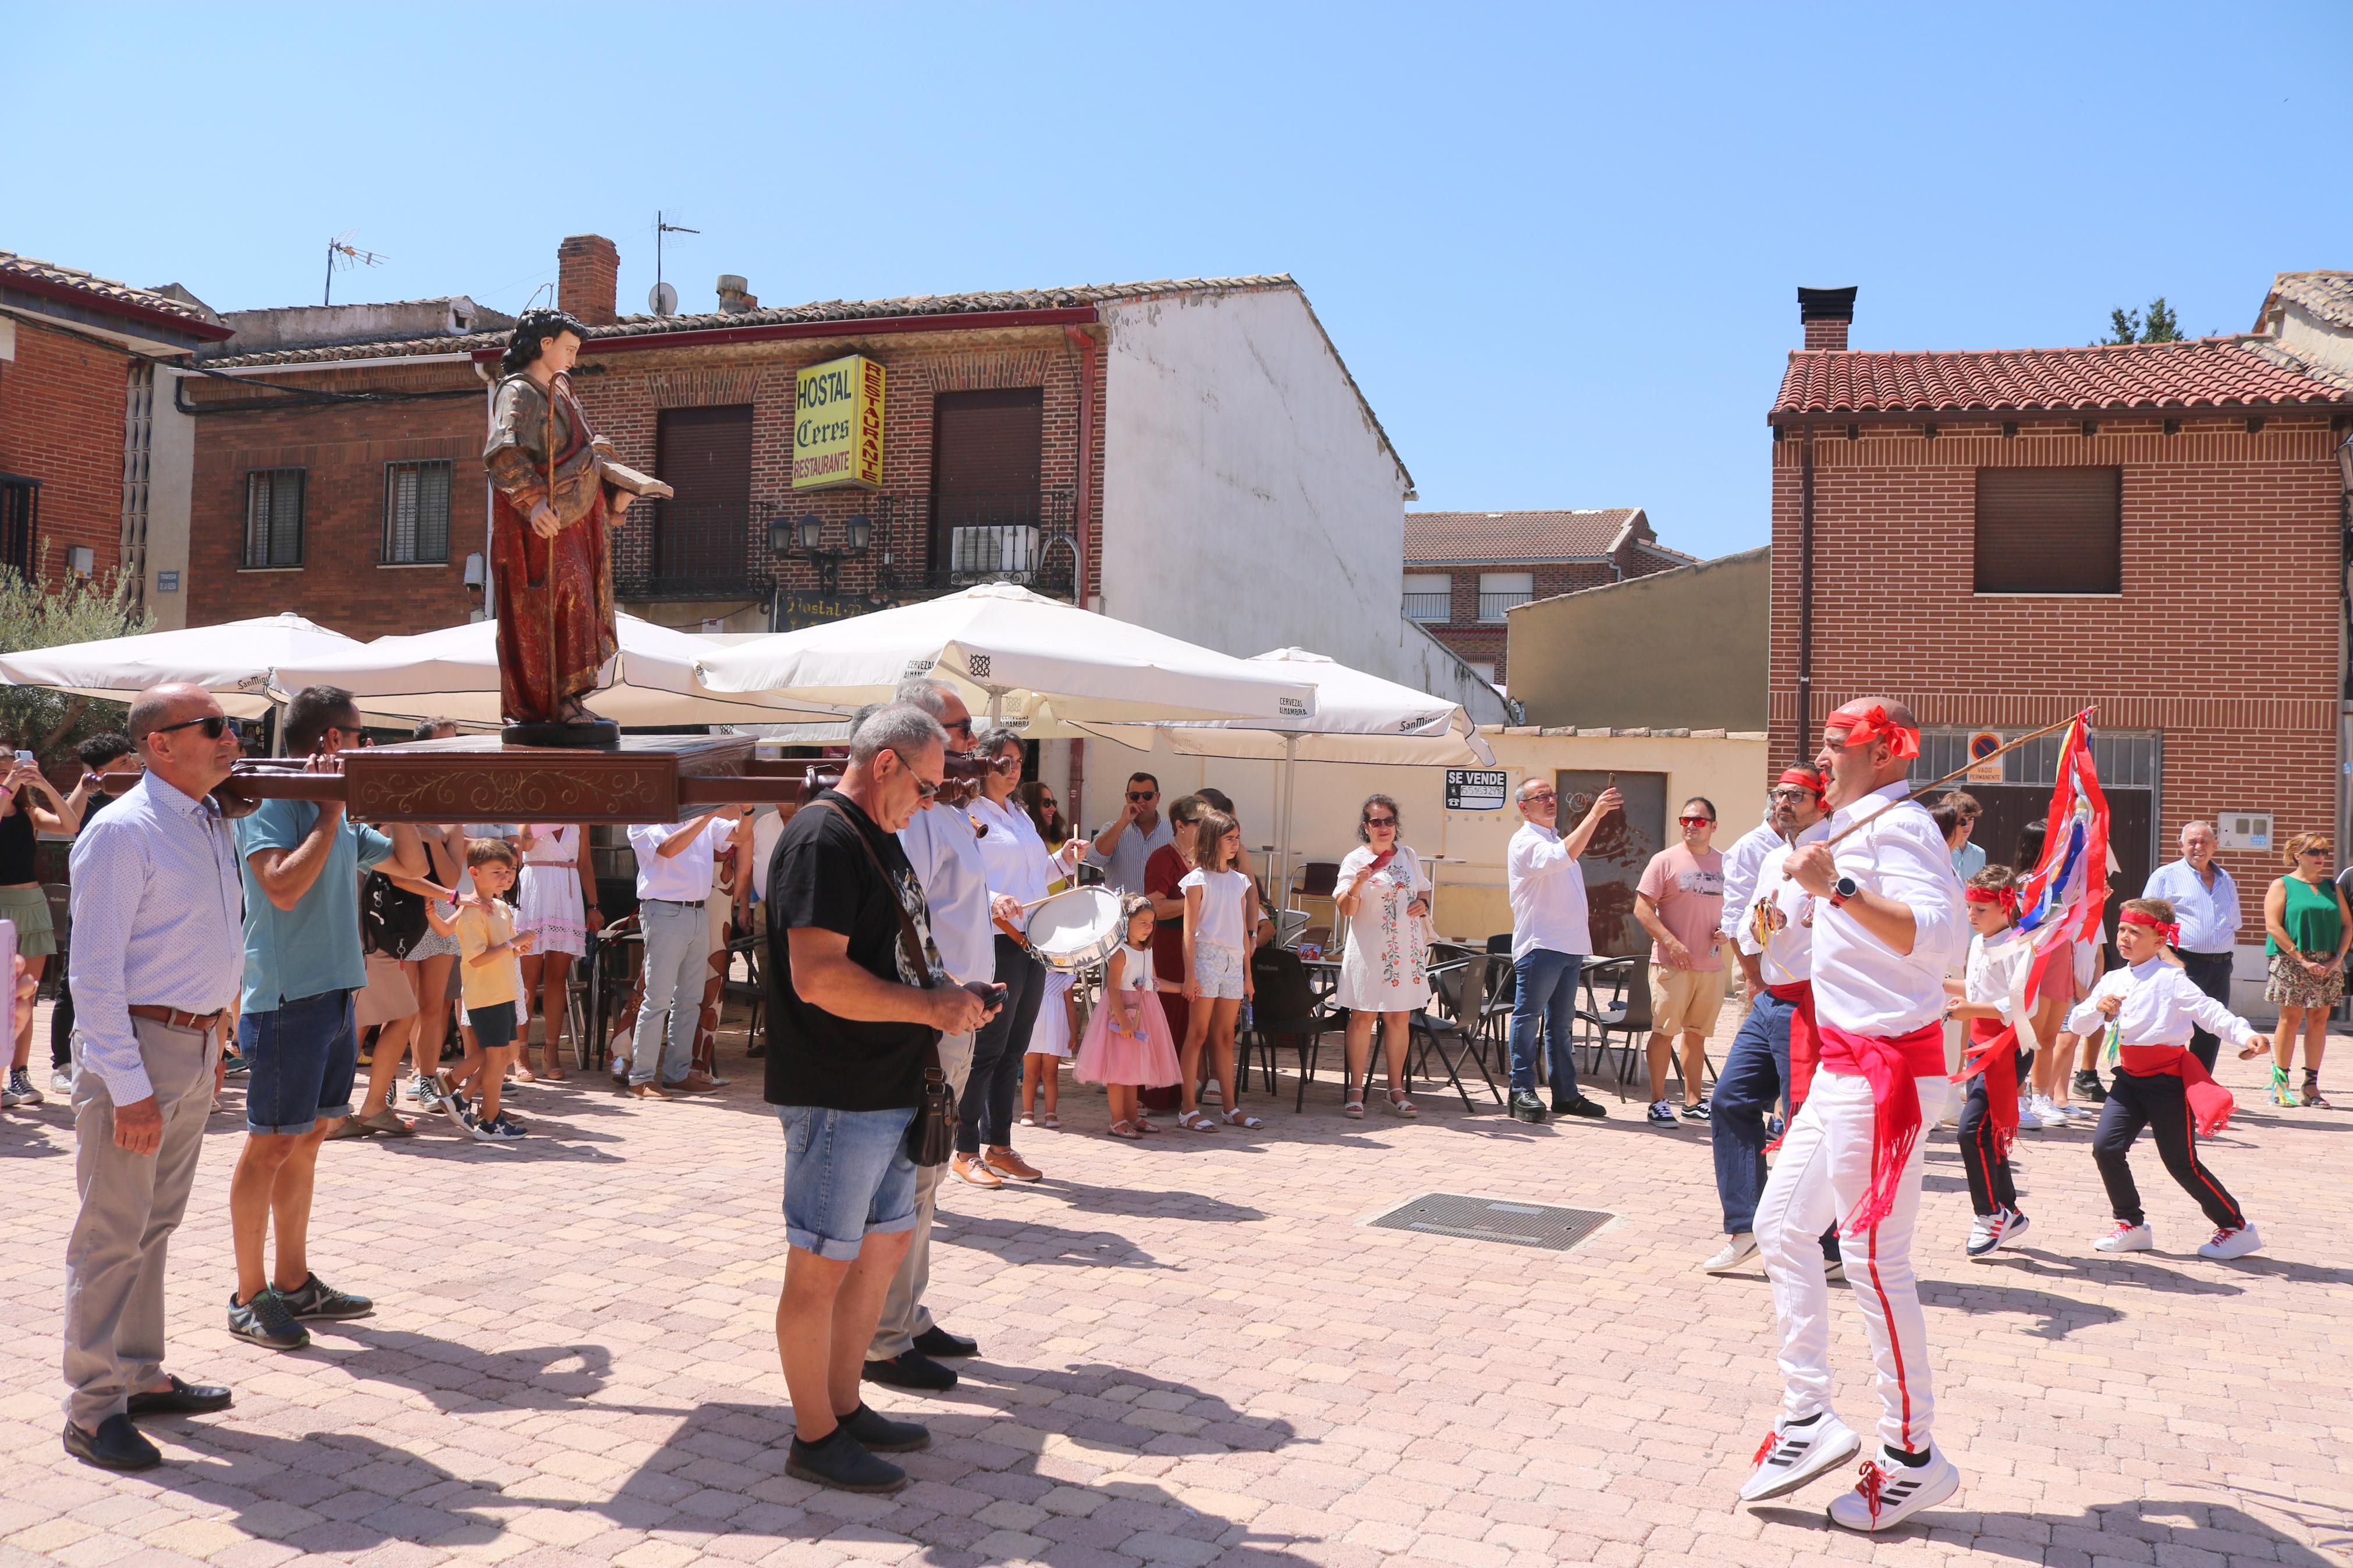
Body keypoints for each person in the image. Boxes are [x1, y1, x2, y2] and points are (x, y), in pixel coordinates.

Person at [1740, 698, 1966, 1531]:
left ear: (1876, 751)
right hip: (1843, 1067)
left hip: (1882, 1076)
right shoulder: (1851, 830)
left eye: (1834, 745)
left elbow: (1937, 938)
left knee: (1874, 1259)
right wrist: (1787, 896)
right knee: (1780, 1226)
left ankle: (1912, 1456)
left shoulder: (1897, 829)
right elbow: (1780, 939)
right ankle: (1806, 1417)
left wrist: (1833, 882)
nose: (1820, 758)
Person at [765, 702, 996, 1495]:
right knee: (822, 1265)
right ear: (887, 763)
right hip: (839, 1087)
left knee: (879, 1250)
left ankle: (843, 1404)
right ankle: (813, 1434)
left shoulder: (876, 837)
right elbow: (817, 974)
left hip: (888, 1080)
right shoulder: (824, 838)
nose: (930, 802)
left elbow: (888, 956)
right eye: (927, 785)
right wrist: (933, 1007)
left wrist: (945, 991)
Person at [59, 684, 243, 1471]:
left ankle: (137, 1371)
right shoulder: (123, 831)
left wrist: (220, 1022)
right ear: (161, 743)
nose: (232, 736)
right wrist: (128, 1085)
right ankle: (92, 1407)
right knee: (110, 1233)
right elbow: (92, 973)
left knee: (154, 1224)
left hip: (194, 1047)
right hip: (138, 1050)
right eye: (215, 726)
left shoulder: (206, 819)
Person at [226, 686, 425, 1352]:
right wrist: (333, 813)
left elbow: (408, 865)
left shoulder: (334, 810)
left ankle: (293, 1280)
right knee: (270, 1145)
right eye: (362, 738)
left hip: (337, 994)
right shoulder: (271, 802)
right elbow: (280, 886)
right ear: (331, 742)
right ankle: (248, 1295)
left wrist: (393, 796)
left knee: (308, 1138)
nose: (369, 747)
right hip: (287, 998)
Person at [865, 678, 1006, 1395]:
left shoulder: (945, 810)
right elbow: (909, 918)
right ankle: (885, 1338)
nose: (971, 741)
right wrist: (943, 1001)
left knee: (927, 1180)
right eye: (959, 728)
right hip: (937, 1013)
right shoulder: (914, 813)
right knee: (911, 1178)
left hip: (960, 1011)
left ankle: (906, 1317)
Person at [2066, 898, 2270, 1260]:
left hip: (2168, 1082)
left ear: (2160, 941)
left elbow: (2210, 1013)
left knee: (2180, 1162)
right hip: (2128, 1079)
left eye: (2136, 932)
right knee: (2106, 1148)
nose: (2125, 938)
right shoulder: (2113, 980)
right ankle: (2131, 1225)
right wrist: (2097, 1008)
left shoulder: (2172, 979)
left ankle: (2236, 1226)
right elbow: (2079, 1024)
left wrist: (2246, 1035)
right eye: (2122, 930)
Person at [1704, 766, 1838, 1277]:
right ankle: (1747, 1227)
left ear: (1821, 803)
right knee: (1730, 1099)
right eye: (1779, 793)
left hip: (1812, 1003)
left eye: (1796, 795)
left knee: (1809, 1121)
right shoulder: (1772, 856)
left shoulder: (1835, 852)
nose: (1783, 801)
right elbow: (1750, 925)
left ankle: (1826, 1246)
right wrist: (1763, 931)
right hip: (1770, 999)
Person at [482, 308, 637, 728]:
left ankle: (571, 696)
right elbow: (504, 454)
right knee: (559, 599)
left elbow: (584, 455)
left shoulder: (563, 388)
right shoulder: (518, 392)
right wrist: (533, 501)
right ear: (545, 344)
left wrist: (613, 497)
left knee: (581, 602)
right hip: (541, 528)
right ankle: (550, 701)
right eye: (568, 349)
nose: (572, 358)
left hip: (577, 522)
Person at [956, 727, 1052, 1187]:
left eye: (1017, 762)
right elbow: (957, 876)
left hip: (1030, 941)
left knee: (1014, 1050)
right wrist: (992, 896)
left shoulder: (1020, 814)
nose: (1012, 770)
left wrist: (1065, 861)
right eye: (1003, 761)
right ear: (982, 762)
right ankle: (964, 1149)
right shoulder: (967, 813)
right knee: (988, 1050)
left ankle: (999, 1144)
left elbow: (1035, 875)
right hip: (996, 939)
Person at [1503, 776, 1616, 1124]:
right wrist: (1595, 816)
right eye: (1541, 797)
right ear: (1524, 807)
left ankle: (1565, 1094)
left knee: (1561, 1024)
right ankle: (1521, 1089)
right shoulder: (1525, 842)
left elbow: (1564, 856)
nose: (1551, 801)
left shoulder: (1554, 838)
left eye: (1552, 795)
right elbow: (1559, 858)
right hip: (1541, 944)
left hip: (1568, 946)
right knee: (1528, 1018)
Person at [1943, 865, 2033, 1258]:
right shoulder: (1980, 940)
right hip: (1982, 1044)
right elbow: (1977, 987)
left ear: (2004, 906)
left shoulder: (2020, 944)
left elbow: (2019, 1004)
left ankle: (1989, 1215)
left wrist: (1971, 1008)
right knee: (1986, 1132)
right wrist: (1934, 979)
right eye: (1968, 907)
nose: (1970, 915)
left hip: (2008, 1046)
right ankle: (2008, 1210)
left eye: (1979, 908)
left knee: (1971, 1132)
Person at [623, 805, 742, 1098]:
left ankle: (677, 1074)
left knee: (690, 999)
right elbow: (667, 849)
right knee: (658, 998)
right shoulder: (644, 818)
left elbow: (741, 836)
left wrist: (748, 811)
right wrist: (709, 815)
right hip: (663, 912)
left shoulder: (700, 820)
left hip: (698, 912)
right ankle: (641, 1079)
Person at [48, 732, 144, 1096]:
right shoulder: (93, 805)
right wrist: (84, 786)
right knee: (73, 981)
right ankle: (63, 1063)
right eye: (122, 763)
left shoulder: (147, 795)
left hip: (135, 904)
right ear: (100, 773)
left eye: (131, 757)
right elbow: (69, 821)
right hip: (90, 905)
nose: (133, 765)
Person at [1332, 794, 1433, 1119]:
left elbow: (1423, 889)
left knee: (1399, 1018)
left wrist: (1424, 904)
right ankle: (1356, 1089)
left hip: (1404, 948)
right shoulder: (1354, 860)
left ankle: (1395, 1089)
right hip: (1368, 950)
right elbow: (1346, 909)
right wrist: (1358, 884)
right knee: (1363, 1017)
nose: (1384, 827)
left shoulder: (1408, 855)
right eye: (1377, 822)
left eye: (1389, 821)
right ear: (1366, 827)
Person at [1636, 796, 1727, 1125]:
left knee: (1697, 1034)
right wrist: (1671, 943)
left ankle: (1693, 1101)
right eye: (1686, 820)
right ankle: (1658, 1102)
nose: (1691, 825)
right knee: (1664, 1032)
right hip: (1671, 965)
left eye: (1699, 821)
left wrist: (1727, 931)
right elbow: (1642, 908)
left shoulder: (1725, 863)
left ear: (1713, 826)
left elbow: (1736, 909)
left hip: (1711, 965)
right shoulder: (1665, 861)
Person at [0, 751, 82, 1107]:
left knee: (24, 997)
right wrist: (10, 785)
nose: (8, 776)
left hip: (31, 908)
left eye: (10, 769)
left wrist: (43, 783)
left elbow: (69, 825)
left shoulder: (30, 813)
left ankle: (19, 1074)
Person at [443, 839, 535, 1142]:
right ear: (475, 873)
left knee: (506, 1053)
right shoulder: (471, 913)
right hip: (485, 994)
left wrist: (517, 949)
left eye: (509, 871)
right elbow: (478, 958)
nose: (506, 877)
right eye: (497, 871)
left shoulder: (501, 907)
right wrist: (512, 944)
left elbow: (505, 951)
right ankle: (490, 1119)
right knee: (497, 1059)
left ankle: (462, 1096)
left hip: (504, 991)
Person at [1176, 810, 1260, 1132]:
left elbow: (1242, 930)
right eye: (1230, 838)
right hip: (1206, 959)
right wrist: (1189, 974)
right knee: (1197, 1034)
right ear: (1213, 840)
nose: (1236, 844)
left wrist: (1248, 975)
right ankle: (1188, 1109)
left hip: (1233, 962)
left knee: (1225, 1036)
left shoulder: (1239, 881)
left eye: (1237, 838)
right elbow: (1189, 930)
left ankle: (1230, 1107)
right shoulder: (1197, 880)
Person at [1074, 894, 1184, 1136]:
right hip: (1122, 1012)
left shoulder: (1148, 951)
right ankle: (1117, 1119)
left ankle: (1133, 1116)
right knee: (1118, 1068)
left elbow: (1153, 982)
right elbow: (1112, 988)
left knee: (1133, 1067)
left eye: (1152, 923)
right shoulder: (1120, 953)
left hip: (1144, 1013)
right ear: (1126, 923)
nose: (1148, 928)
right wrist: (1123, 1018)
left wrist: (1181, 988)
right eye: (1142, 922)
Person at [2260, 831, 2347, 1110]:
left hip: (2327, 962)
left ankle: (2310, 1085)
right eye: (2314, 852)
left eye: (2323, 852)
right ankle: (2281, 1082)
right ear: (2298, 855)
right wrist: (2302, 959)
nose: (2321, 858)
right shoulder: (2282, 885)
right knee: (2290, 1019)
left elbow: (2348, 924)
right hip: (2291, 960)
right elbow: (2274, 926)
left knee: (2320, 1021)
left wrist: (2337, 959)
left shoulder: (2333, 888)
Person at [2146, 821, 2240, 1076]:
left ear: (2215, 846)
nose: (2199, 847)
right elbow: (2146, 922)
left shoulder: (2226, 879)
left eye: (2205, 842)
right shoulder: (2165, 876)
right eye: (2192, 842)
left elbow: (2233, 924)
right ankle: (2162, 1090)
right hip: (2181, 964)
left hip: (2220, 967)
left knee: (2211, 1031)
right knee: (2170, 1030)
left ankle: (2197, 1091)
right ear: (2181, 846)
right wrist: (2169, 958)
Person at [516, 823, 597, 1080]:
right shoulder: (530, 811)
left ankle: (551, 1051)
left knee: (558, 978)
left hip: (567, 895)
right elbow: (522, 846)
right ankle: (521, 1053)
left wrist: (594, 905)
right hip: (533, 893)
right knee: (527, 979)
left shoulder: (579, 819)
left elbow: (585, 863)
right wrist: (541, 819)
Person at [1140, 795, 1204, 1116]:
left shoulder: (1206, 859)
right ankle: (1157, 1095)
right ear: (1181, 825)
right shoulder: (1164, 858)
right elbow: (1154, 905)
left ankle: (1183, 1093)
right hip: (1167, 944)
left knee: (1190, 1022)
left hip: (1198, 947)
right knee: (1166, 1018)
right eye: (1201, 824)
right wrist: (1196, 904)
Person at [1085, 771, 1173, 895]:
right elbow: (1094, 859)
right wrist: (1123, 822)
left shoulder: (1172, 831)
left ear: (1157, 797)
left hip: (1161, 913)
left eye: (1147, 795)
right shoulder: (1112, 828)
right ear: (1127, 798)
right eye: (1135, 796)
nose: (1141, 801)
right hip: (1122, 912)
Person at [1941, 792, 1986, 881]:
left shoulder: (1979, 853)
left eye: (1971, 819)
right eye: (1962, 820)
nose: (1967, 825)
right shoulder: (1940, 850)